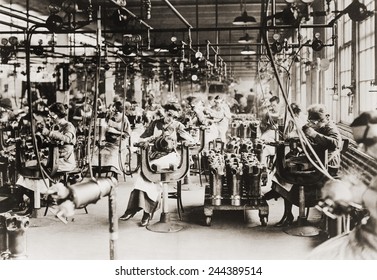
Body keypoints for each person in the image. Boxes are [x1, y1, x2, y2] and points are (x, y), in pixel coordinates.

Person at [308, 111, 377, 259]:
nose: (362, 149)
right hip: (362, 240)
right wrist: (339, 191)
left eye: (369, 141)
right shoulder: (373, 170)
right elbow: (358, 191)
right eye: (359, 142)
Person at [265, 104, 342, 227]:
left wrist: (313, 134)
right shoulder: (315, 125)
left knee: (288, 176)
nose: (313, 124)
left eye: (316, 122)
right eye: (311, 121)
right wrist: (295, 139)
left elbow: (335, 143)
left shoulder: (330, 127)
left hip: (326, 168)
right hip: (315, 161)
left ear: (323, 119)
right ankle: (286, 212)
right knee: (283, 169)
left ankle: (286, 209)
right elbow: (306, 136)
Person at [119, 103, 195, 226]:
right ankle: (138, 211)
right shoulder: (155, 124)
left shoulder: (177, 126)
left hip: (170, 157)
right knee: (144, 175)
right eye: (169, 114)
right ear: (164, 112)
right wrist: (146, 141)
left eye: (174, 116)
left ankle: (145, 213)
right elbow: (142, 137)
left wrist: (185, 142)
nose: (171, 118)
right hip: (155, 156)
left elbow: (191, 140)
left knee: (151, 175)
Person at [16, 102, 77, 215]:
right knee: (30, 169)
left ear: (58, 114)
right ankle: (36, 199)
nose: (50, 117)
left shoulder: (68, 126)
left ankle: (38, 201)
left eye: (52, 115)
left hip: (65, 161)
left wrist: (49, 133)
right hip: (54, 159)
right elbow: (51, 142)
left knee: (38, 171)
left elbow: (67, 139)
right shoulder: (55, 127)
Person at [91, 100, 132, 176]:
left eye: (117, 111)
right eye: (114, 111)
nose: (115, 113)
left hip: (119, 142)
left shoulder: (124, 119)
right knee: (96, 152)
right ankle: (98, 168)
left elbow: (127, 134)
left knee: (113, 153)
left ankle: (114, 171)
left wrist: (116, 132)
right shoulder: (110, 117)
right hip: (109, 142)